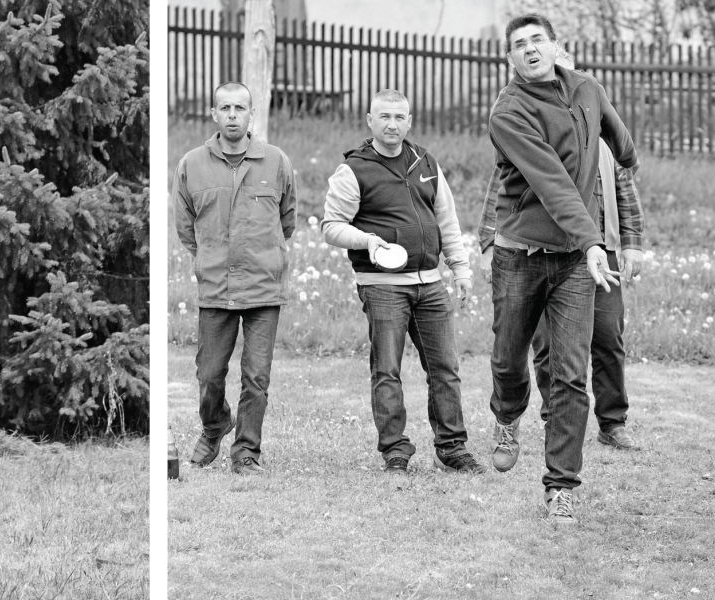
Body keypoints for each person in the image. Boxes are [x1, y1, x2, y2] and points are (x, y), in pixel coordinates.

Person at [486, 14, 638, 526]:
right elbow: (553, 184)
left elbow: (617, 139)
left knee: (571, 376)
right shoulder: (509, 112)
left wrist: (624, 153)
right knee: (510, 361)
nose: (529, 49)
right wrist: (595, 238)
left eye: (537, 41)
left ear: (556, 46)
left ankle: (562, 486)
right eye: (518, 45)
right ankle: (507, 416)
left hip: (574, 261)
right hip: (520, 255)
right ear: (510, 58)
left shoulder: (586, 88)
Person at [321, 89, 485, 476]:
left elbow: (446, 220)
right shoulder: (354, 169)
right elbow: (331, 227)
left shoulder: (426, 162)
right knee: (387, 371)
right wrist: (366, 240)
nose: (392, 124)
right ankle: (395, 450)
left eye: (399, 117)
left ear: (409, 121)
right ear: (369, 121)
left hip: (430, 283)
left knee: (445, 367)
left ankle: (452, 447)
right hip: (381, 284)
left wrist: (460, 269)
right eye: (384, 117)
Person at [481, 142, 646, 452]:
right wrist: (489, 243)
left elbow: (625, 186)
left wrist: (633, 243)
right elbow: (500, 188)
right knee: (547, 345)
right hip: (546, 253)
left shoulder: (605, 137)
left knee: (609, 337)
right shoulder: (533, 133)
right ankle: (554, 418)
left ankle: (612, 423)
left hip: (602, 251)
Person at [173, 81, 296, 476]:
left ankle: (246, 453)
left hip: (264, 287)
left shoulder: (277, 162)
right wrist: (211, 257)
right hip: (215, 287)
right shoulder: (191, 164)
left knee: (256, 377)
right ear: (213, 114)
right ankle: (214, 425)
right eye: (224, 108)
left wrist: (265, 256)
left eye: (239, 108)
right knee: (209, 375)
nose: (231, 115)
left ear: (251, 114)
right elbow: (185, 227)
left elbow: (287, 220)